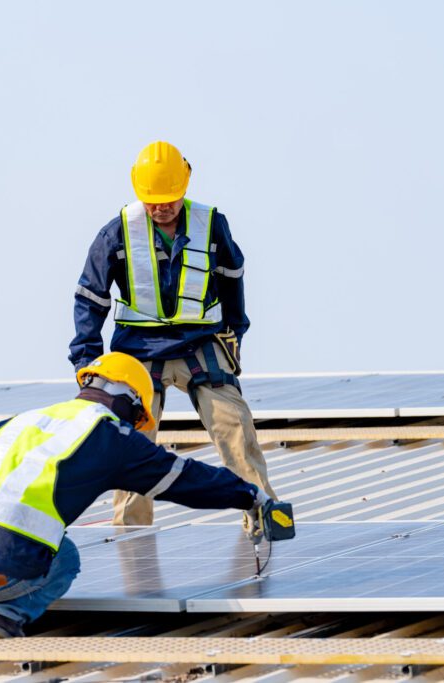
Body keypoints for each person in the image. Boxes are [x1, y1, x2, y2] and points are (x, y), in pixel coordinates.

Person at [0, 352, 269, 639]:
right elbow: (186, 479)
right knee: (65, 556)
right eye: (138, 415)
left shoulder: (26, 418)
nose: (135, 424)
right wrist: (249, 494)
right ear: (128, 400)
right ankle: (5, 615)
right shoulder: (113, 438)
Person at [70, 140, 277, 526]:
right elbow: (90, 297)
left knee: (235, 427)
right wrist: (87, 359)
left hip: (201, 344)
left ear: (184, 187)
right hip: (138, 351)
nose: (161, 207)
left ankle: (264, 516)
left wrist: (234, 336)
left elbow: (233, 282)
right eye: (152, 199)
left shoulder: (211, 225)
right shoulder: (116, 234)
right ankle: (132, 540)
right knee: (131, 446)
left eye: (169, 198)